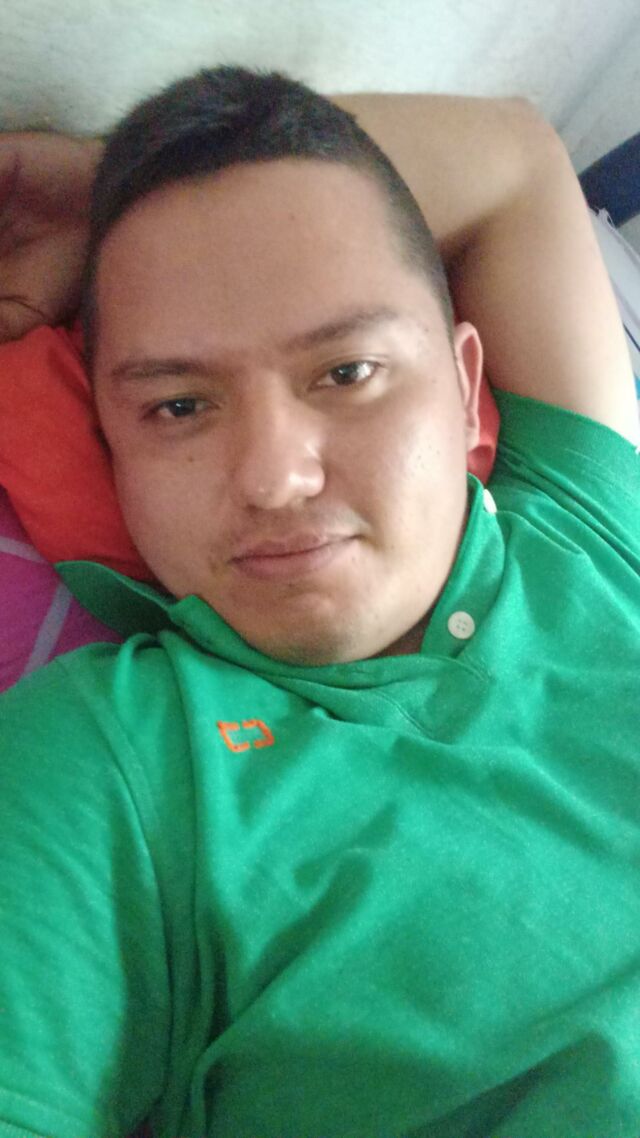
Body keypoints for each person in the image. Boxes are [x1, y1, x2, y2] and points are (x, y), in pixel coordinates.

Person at [0, 65, 638, 1138]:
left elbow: (518, 161)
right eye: (180, 406)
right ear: (111, 448)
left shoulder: (590, 524)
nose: (274, 477)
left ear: (462, 381)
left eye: (346, 373)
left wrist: (105, 191)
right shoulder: (114, 755)